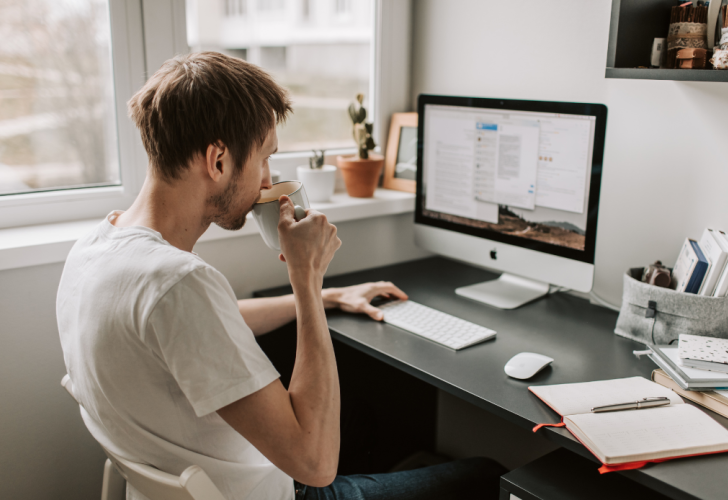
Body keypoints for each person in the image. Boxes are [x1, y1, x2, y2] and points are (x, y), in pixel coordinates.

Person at [57, 51, 505, 500]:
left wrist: (329, 297)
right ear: (218, 161)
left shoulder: (95, 250)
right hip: (285, 492)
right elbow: (315, 464)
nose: (268, 180)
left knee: (365, 421)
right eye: (265, 159)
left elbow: (199, 325)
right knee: (488, 474)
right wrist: (307, 282)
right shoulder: (180, 282)